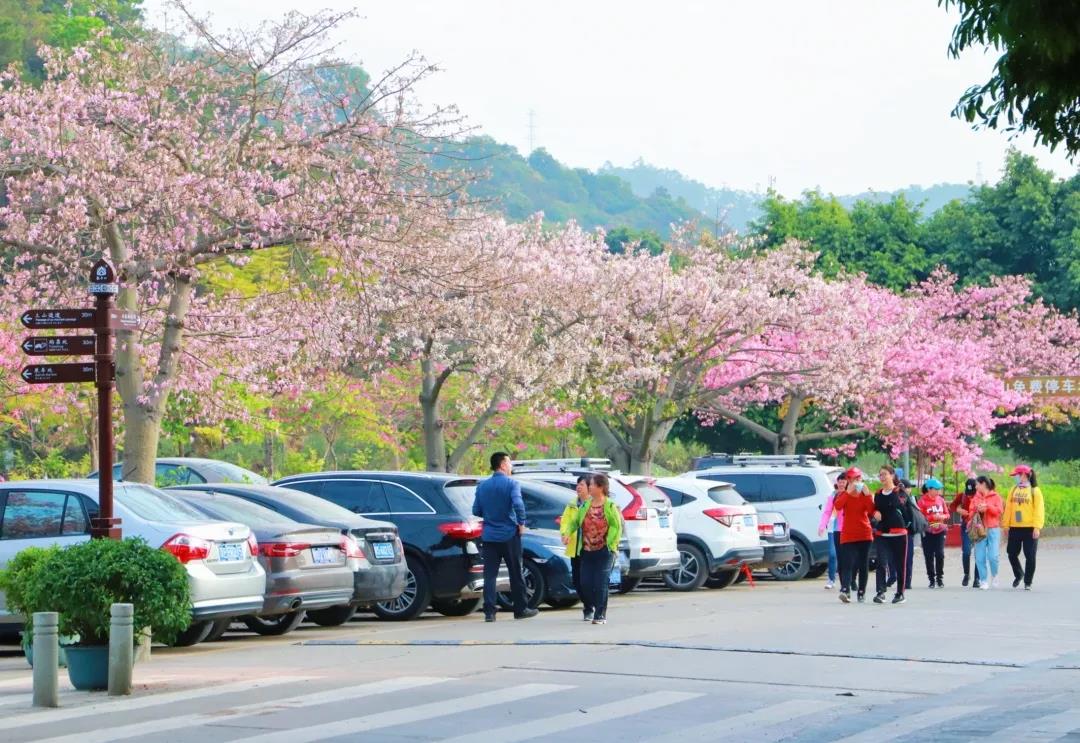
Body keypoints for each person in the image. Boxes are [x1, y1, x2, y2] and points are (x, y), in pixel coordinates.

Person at [472, 452, 538, 622]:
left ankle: (489, 612)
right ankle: (521, 608)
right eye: (509, 463)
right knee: (516, 572)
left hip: (489, 537)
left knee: (490, 575)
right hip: (509, 534)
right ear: (502, 465)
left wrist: (490, 513)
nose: (511, 466)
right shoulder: (512, 484)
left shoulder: (482, 486)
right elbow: (518, 504)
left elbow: (476, 511)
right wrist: (521, 522)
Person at [564, 473, 623, 625]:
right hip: (587, 550)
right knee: (585, 583)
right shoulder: (585, 505)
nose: (589, 487)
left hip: (605, 550)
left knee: (601, 582)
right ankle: (590, 606)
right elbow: (575, 522)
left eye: (591, 485)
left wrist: (612, 544)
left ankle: (600, 614)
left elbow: (617, 526)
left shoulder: (610, 506)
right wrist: (567, 534)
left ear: (601, 487)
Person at [833, 467, 875, 603]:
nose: (856, 481)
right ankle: (845, 589)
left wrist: (867, 494)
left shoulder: (864, 494)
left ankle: (861, 592)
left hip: (864, 533)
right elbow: (838, 506)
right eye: (853, 479)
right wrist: (847, 492)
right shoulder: (844, 494)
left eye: (858, 478)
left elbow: (870, 510)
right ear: (848, 481)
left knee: (863, 564)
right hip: (847, 533)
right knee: (847, 563)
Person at [1003, 464, 1045, 590]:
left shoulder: (1035, 491)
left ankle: (1028, 581)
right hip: (1015, 528)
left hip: (1030, 528)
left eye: (1017, 475)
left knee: (1030, 555)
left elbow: (1039, 510)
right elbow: (1008, 508)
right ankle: (1019, 573)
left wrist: (1037, 527)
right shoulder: (1013, 489)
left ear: (1025, 475)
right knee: (1011, 553)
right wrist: (1006, 525)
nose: (1015, 478)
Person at [872, 465, 908, 604]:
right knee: (881, 563)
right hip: (882, 533)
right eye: (880, 475)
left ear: (892, 475)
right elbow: (875, 509)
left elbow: (900, 505)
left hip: (899, 532)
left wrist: (894, 490)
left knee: (900, 564)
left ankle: (900, 593)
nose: (882, 477)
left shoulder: (899, 491)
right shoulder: (878, 493)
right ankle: (881, 592)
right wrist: (874, 513)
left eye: (885, 474)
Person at [560, 475, 592, 619]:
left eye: (582, 484)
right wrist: (564, 534)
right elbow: (565, 521)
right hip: (575, 548)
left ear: (590, 488)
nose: (578, 487)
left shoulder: (595, 504)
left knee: (588, 579)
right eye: (577, 484)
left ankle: (589, 608)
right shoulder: (572, 504)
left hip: (591, 548)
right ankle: (588, 604)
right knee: (577, 580)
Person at [970, 475, 1003, 590]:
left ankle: (995, 575)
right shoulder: (975, 498)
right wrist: (977, 509)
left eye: (977, 484)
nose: (975, 486)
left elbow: (999, 512)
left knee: (993, 556)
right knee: (979, 557)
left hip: (993, 529)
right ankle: (983, 580)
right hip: (979, 529)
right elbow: (970, 513)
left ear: (983, 484)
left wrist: (988, 507)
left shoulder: (996, 497)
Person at [918, 478, 950, 588]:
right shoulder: (922, 501)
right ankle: (931, 579)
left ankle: (939, 578)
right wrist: (932, 517)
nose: (938, 491)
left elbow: (947, 514)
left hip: (940, 529)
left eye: (939, 489)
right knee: (928, 555)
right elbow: (920, 518)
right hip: (928, 531)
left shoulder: (941, 500)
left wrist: (942, 516)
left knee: (940, 554)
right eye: (936, 489)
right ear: (929, 489)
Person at [818, 472, 847, 590]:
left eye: (843, 482)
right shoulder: (833, 496)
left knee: (846, 556)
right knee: (832, 554)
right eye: (839, 482)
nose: (841, 484)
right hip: (833, 529)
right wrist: (822, 525)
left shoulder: (850, 495)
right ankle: (831, 579)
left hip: (847, 530)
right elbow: (827, 512)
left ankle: (847, 580)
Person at [950, 478, 981, 587]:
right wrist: (959, 510)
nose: (969, 496)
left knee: (978, 552)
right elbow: (952, 505)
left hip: (978, 526)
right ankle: (966, 574)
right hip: (966, 526)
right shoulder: (962, 495)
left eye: (971, 494)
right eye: (968, 494)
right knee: (966, 551)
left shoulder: (981, 495)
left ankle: (977, 578)